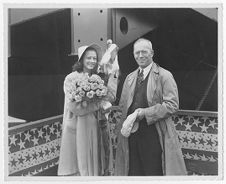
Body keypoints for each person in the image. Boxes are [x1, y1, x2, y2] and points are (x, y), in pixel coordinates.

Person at [114, 38, 187, 176]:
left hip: (155, 134)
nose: (140, 56)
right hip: (132, 136)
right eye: (137, 52)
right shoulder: (129, 78)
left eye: (144, 52)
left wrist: (144, 113)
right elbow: (122, 108)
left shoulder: (164, 75)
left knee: (153, 171)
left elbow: (172, 105)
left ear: (152, 53)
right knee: (133, 172)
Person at [58, 43, 118, 176]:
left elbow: (111, 97)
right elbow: (75, 109)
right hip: (78, 127)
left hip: (95, 125)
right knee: (81, 165)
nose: (92, 61)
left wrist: (113, 73)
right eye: (88, 58)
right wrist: (99, 105)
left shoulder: (98, 77)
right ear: (81, 59)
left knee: (97, 164)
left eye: (95, 58)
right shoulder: (71, 78)